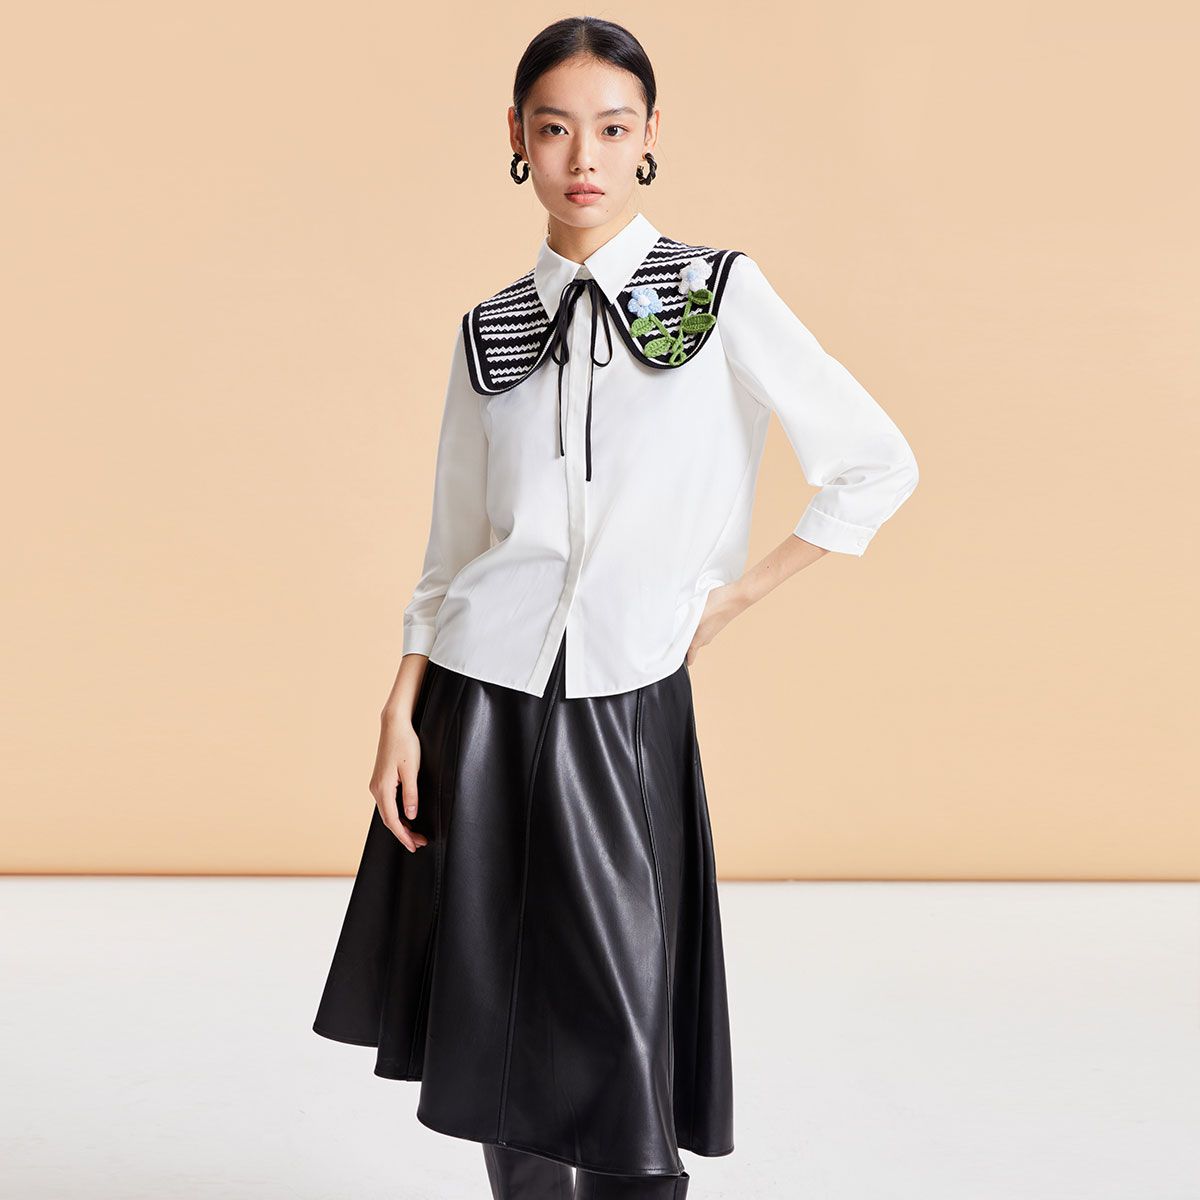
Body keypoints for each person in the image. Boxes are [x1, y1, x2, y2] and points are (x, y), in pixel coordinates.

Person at [312, 16, 919, 1199]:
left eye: (611, 127)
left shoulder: (716, 293)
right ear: (517, 137)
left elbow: (875, 463)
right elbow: (454, 546)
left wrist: (731, 600)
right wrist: (399, 708)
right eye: (554, 128)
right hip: (475, 703)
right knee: (497, 1015)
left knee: (621, 1013)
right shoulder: (489, 328)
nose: (582, 155)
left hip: (624, 698)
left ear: (649, 137)